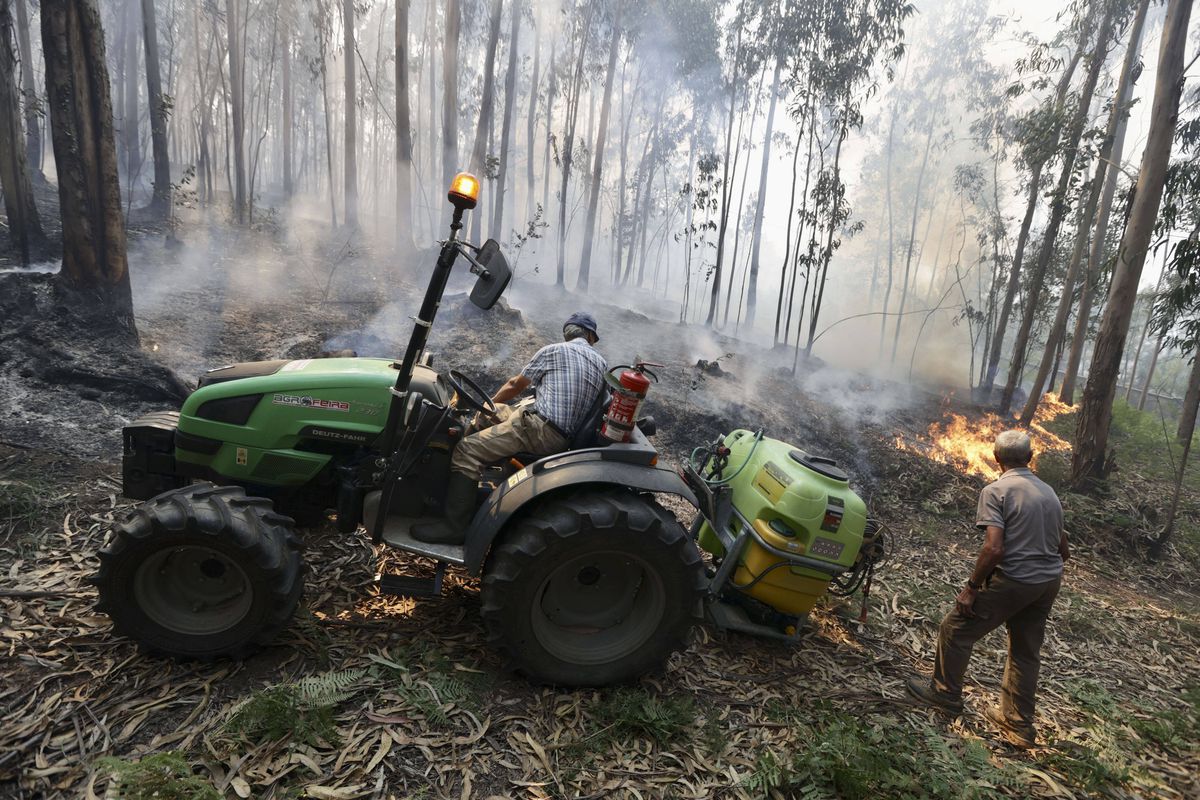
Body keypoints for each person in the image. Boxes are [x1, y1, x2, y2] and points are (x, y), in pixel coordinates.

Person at [906, 429, 1069, 749]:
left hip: (1017, 579)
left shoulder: (997, 491)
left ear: (996, 459)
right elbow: (1064, 549)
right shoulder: (1048, 491)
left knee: (956, 628)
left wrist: (971, 588)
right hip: (1048, 581)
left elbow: (994, 549)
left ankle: (944, 694)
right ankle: (1018, 725)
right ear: (1030, 457)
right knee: (1025, 650)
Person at [412, 312, 608, 544]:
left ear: (567, 332)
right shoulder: (601, 363)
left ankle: (455, 524)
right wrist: (489, 409)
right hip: (552, 429)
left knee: (466, 450)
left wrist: (489, 403)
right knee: (491, 414)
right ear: (591, 337)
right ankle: (464, 483)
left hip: (538, 429)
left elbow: (515, 384)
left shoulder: (555, 350)